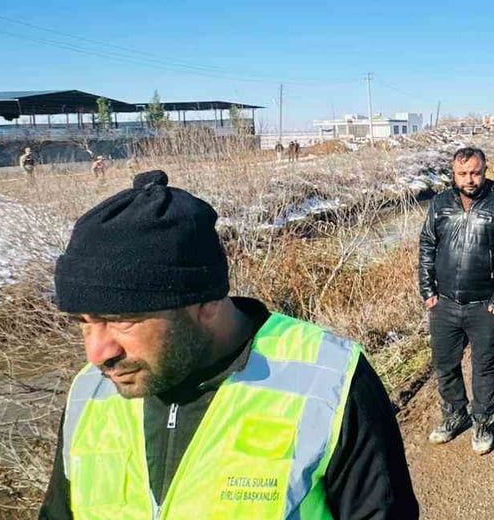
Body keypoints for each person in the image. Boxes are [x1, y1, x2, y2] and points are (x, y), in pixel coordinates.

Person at [39, 170, 419, 520]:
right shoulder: (88, 393)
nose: (98, 354)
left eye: (123, 320)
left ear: (205, 302)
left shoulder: (330, 379)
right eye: (85, 323)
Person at [418, 147, 494, 455]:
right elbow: (427, 246)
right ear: (453, 173)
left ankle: (482, 420)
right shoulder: (439, 203)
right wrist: (428, 292)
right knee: (445, 363)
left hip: (484, 306)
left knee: (484, 365)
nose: (469, 179)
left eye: (475, 172)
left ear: (485, 170)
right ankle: (454, 414)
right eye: (463, 174)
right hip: (444, 304)